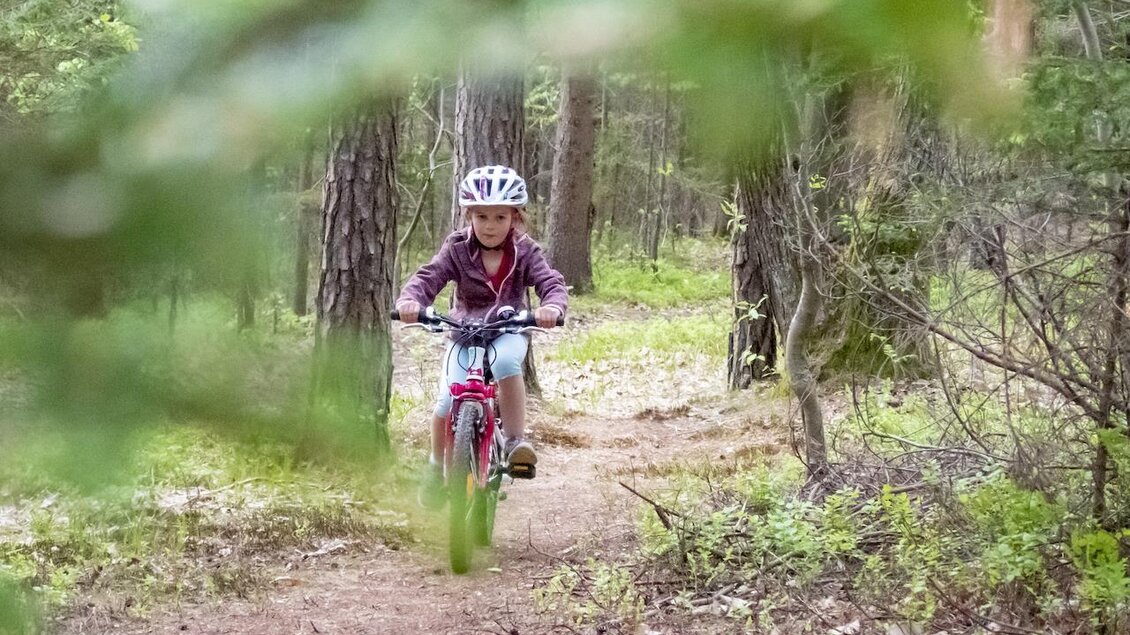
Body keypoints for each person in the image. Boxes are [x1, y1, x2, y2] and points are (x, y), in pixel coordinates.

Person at [395, 165, 568, 509]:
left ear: (515, 217)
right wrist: (410, 301)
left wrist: (552, 307)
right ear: (468, 216)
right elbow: (430, 276)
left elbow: (550, 282)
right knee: (446, 402)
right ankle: (435, 466)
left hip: (508, 329)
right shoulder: (457, 247)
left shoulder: (525, 250)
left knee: (505, 361)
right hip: (464, 333)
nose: (491, 225)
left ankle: (516, 441)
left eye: (500, 217)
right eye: (482, 216)